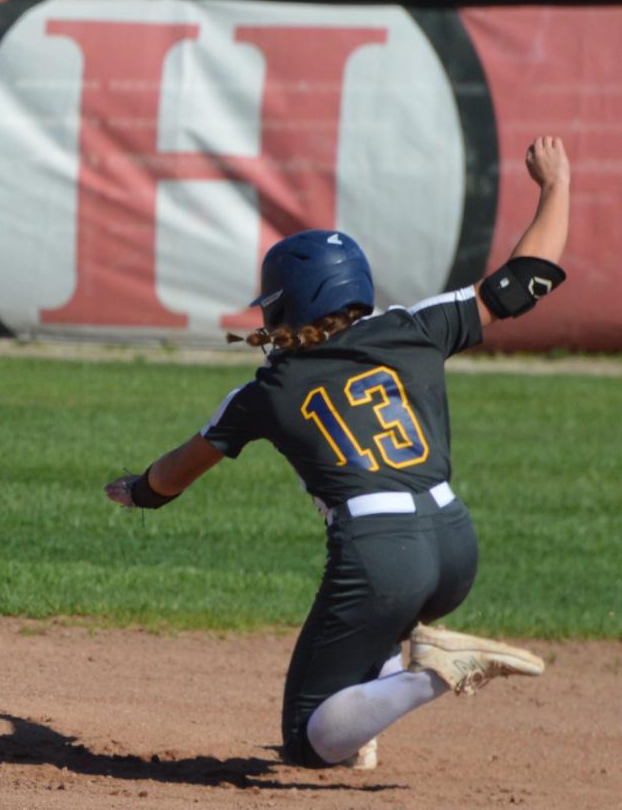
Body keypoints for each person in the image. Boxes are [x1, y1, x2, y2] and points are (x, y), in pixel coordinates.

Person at [105, 137, 571, 770]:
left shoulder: (266, 390)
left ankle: (429, 675)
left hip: (381, 556)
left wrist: (136, 490)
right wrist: (556, 187)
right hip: (456, 543)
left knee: (305, 739)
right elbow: (524, 283)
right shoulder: (413, 327)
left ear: (288, 305)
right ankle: (376, 709)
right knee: (377, 616)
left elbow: (174, 474)